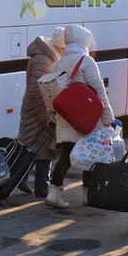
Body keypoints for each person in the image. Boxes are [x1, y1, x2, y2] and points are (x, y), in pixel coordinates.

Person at [46, 25, 115, 209]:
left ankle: (54, 190)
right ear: (83, 41)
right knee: (90, 155)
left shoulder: (58, 63)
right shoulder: (86, 61)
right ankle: (88, 195)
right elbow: (99, 91)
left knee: (67, 154)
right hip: (87, 118)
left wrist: (52, 115)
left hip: (66, 117)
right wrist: (108, 117)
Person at [16, 31, 63, 197]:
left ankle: (28, 181)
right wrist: (46, 118)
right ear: (58, 46)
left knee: (35, 147)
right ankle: (37, 185)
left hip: (37, 109)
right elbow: (37, 91)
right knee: (38, 148)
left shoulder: (44, 56)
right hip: (38, 111)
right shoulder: (44, 59)